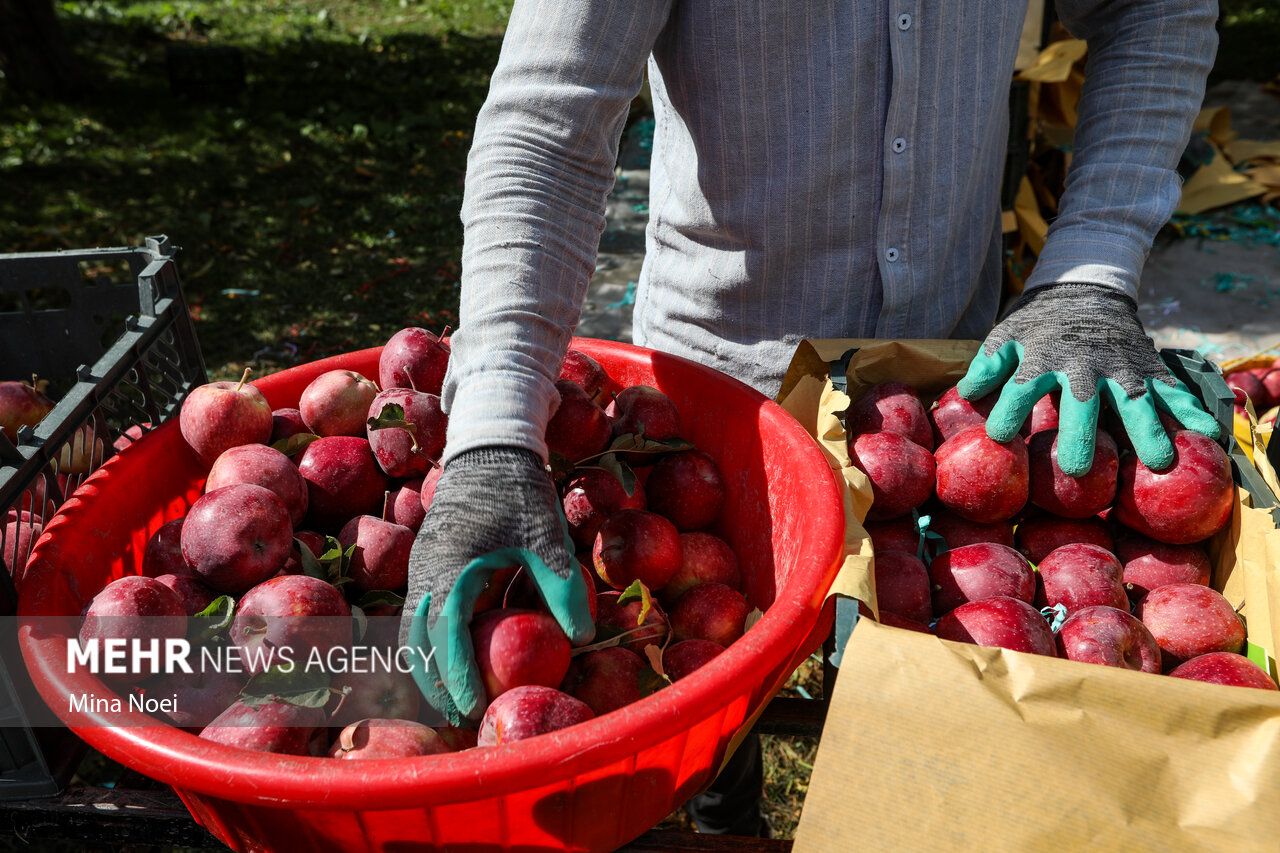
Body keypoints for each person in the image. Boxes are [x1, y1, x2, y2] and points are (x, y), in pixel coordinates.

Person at [401, 0, 1221, 836]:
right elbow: (549, 119)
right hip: (724, 420)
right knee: (703, 675)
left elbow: (1156, 8)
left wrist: (1091, 264)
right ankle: (723, 805)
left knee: (929, 736)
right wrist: (494, 431)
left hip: (946, 404)